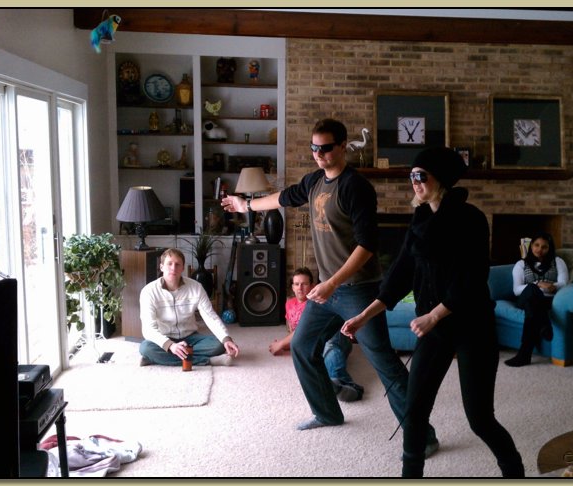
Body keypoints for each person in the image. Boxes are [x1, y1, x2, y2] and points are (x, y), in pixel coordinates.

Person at [222, 118, 439, 457]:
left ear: (341, 146)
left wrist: (331, 283)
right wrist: (245, 205)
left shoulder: (356, 187)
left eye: (325, 148)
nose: (318, 154)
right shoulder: (314, 181)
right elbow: (283, 197)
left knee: (384, 363)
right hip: (327, 291)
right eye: (314, 148)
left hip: (358, 290)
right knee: (302, 346)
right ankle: (327, 413)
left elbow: (367, 246)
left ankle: (423, 437)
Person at [341, 147, 524, 478]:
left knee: (480, 419)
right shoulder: (421, 218)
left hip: (471, 326)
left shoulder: (470, 219)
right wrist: (365, 315)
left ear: (441, 179)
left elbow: (471, 278)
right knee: (414, 412)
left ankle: (514, 473)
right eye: (411, 176)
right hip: (433, 329)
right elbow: (400, 273)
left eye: (421, 176)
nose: (414, 182)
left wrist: (434, 315)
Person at [269, 267, 363, 402]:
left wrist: (281, 343)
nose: (300, 288)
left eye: (304, 284)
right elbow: (294, 332)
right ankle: (332, 385)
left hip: (335, 336)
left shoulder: (317, 305)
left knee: (329, 346)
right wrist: (289, 344)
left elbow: (301, 330)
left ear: (312, 286)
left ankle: (344, 385)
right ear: (292, 287)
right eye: (296, 284)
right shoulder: (289, 303)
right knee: (315, 357)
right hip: (314, 341)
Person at [139, 248, 240, 367]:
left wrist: (226, 339)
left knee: (219, 344)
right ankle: (208, 361)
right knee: (146, 348)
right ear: (161, 267)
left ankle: (157, 358)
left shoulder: (196, 287)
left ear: (182, 268)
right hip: (165, 337)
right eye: (169, 264)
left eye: (177, 264)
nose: (173, 268)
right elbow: (148, 329)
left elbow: (210, 317)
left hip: (191, 337)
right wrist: (170, 345)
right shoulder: (149, 291)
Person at [504, 232, 569, 367]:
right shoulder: (521, 264)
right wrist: (537, 284)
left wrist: (553, 286)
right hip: (524, 299)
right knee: (532, 290)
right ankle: (545, 324)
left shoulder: (558, 262)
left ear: (550, 248)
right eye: (536, 245)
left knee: (532, 310)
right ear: (531, 246)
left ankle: (524, 355)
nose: (539, 249)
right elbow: (516, 289)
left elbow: (564, 283)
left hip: (547, 301)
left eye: (544, 247)